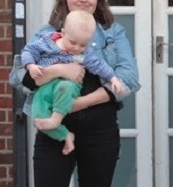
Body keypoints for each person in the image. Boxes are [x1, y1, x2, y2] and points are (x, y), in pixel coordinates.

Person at [9, 0, 140, 187]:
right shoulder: (46, 34)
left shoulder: (113, 32)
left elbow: (129, 78)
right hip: (55, 131)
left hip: (100, 129)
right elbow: (20, 79)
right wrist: (59, 70)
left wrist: (75, 104)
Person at [21, 10, 125, 156]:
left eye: (83, 45)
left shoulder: (83, 54)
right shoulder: (46, 41)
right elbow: (28, 51)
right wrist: (30, 65)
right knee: (38, 116)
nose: (77, 48)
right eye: (73, 42)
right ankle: (65, 135)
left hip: (68, 86)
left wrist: (113, 78)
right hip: (45, 87)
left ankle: (56, 119)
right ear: (62, 33)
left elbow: (99, 65)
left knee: (65, 88)